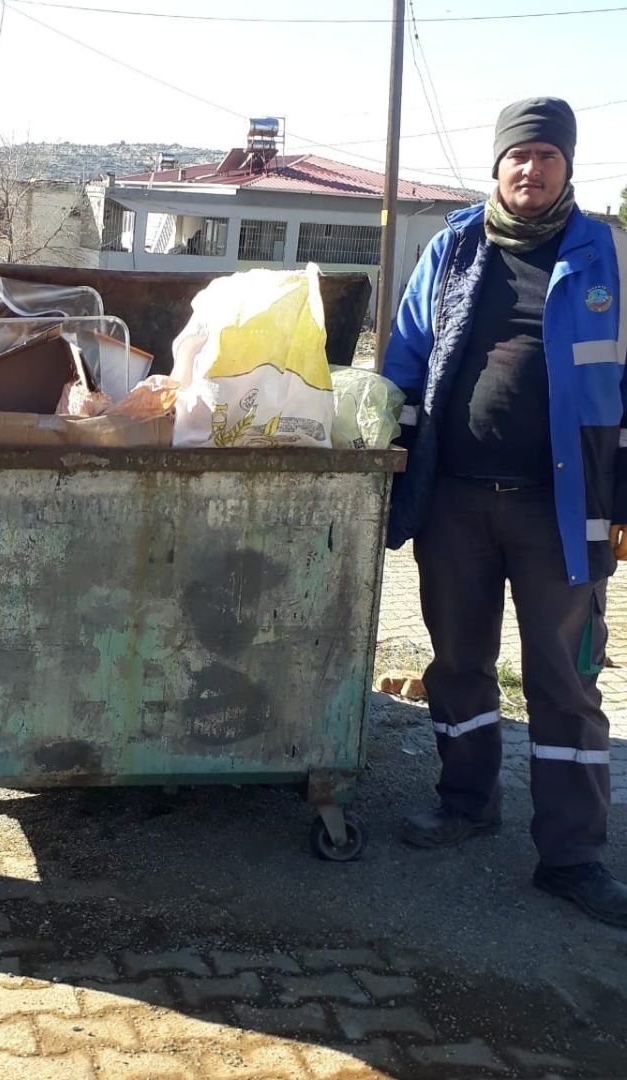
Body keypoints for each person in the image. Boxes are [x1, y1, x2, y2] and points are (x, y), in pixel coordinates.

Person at [383, 96, 627, 927]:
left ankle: (571, 855)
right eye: (517, 155)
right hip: (454, 501)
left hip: (558, 508)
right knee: (457, 662)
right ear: (496, 165)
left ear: (568, 166)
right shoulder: (454, 249)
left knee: (563, 681)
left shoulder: (605, 255)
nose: (531, 168)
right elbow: (405, 359)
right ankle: (465, 802)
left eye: (547, 155)